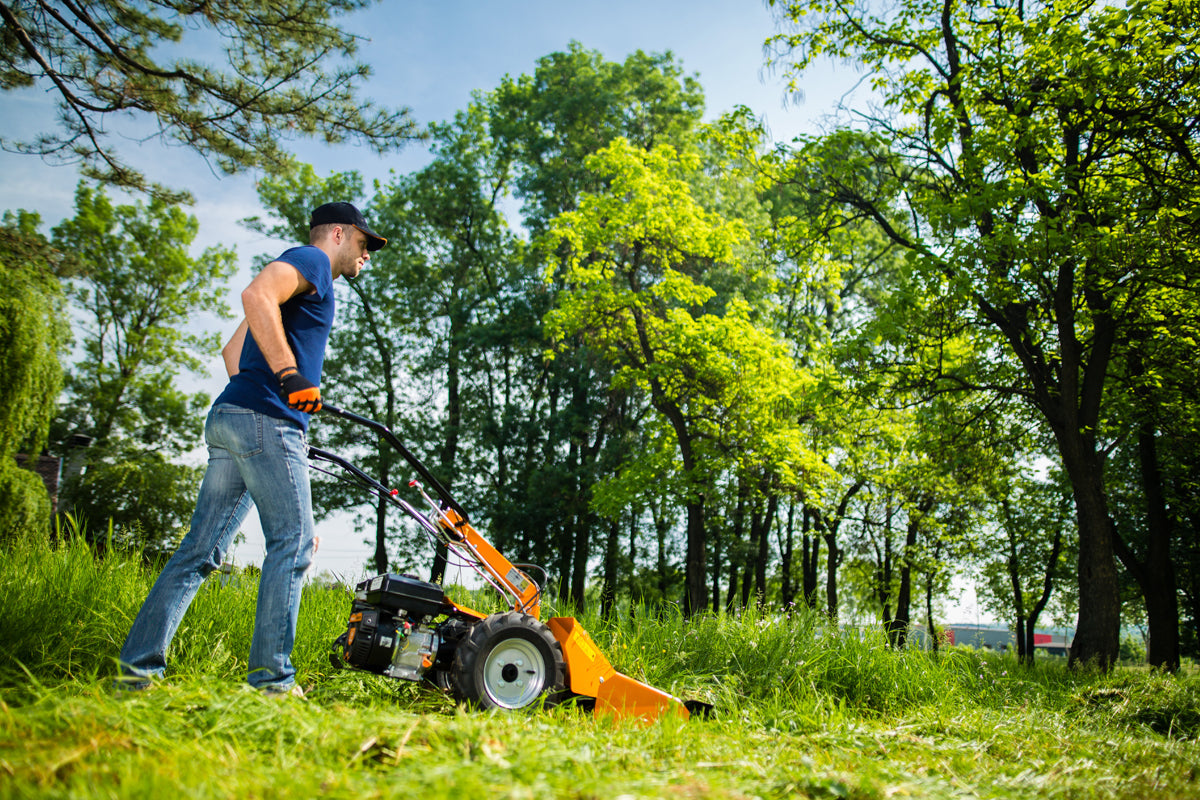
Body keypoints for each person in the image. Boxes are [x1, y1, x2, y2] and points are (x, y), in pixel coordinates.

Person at [117, 201, 386, 695]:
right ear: (339, 235)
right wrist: (287, 375)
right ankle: (273, 683)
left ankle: (136, 675)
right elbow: (255, 293)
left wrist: (254, 399)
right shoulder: (311, 263)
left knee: (200, 551)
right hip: (266, 421)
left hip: (232, 417)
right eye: (365, 244)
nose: (366, 256)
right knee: (294, 541)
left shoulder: (302, 282)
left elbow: (232, 350)